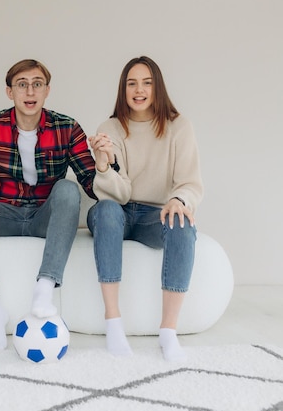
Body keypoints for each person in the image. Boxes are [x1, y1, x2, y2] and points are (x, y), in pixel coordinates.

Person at [0, 59, 111, 351]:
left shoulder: (67, 127)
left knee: (68, 190)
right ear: (10, 92)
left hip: (43, 216)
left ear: (47, 90)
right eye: (21, 84)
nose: (29, 91)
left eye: (37, 84)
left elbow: (91, 185)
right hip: (3, 213)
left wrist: (103, 163)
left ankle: (45, 288)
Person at [87, 56, 203, 361]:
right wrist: (102, 163)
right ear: (123, 90)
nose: (139, 90)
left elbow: (190, 183)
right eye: (132, 83)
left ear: (158, 87)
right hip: (119, 211)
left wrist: (179, 200)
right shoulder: (110, 127)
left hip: (157, 214)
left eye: (147, 83)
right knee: (108, 210)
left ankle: (168, 332)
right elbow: (120, 193)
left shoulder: (179, 127)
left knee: (182, 221)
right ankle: (113, 322)